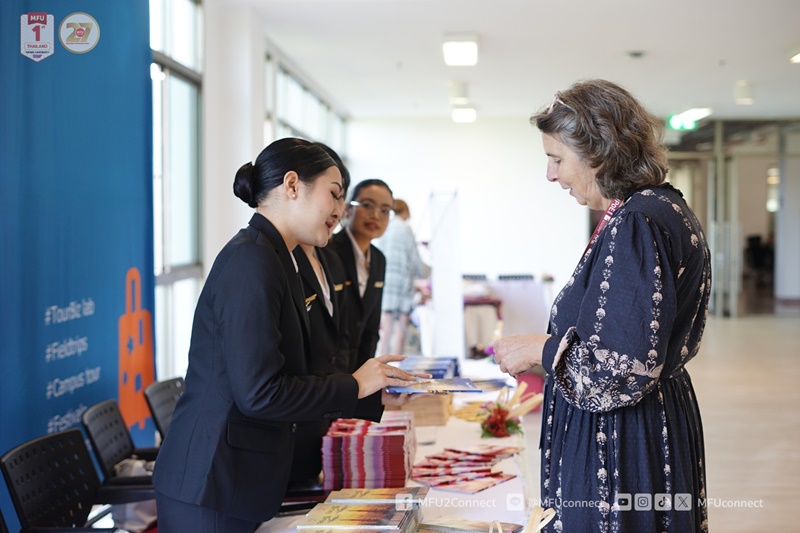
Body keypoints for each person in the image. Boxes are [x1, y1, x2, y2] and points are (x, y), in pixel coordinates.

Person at [152, 138, 419, 533]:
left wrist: (369, 394)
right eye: (334, 194)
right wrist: (354, 384)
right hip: (212, 482)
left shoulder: (278, 257)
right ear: (292, 185)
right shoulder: (252, 260)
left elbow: (297, 372)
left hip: (240, 477)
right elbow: (260, 393)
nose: (339, 210)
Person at [493, 79, 711, 532]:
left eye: (557, 159)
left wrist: (541, 349)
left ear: (598, 152)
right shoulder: (658, 208)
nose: (551, 175)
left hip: (621, 444)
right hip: (645, 427)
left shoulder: (637, 221)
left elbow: (621, 369)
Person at [328, 179, 395, 372]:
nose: (376, 215)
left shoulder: (379, 259)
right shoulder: (328, 251)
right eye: (367, 205)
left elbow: (372, 327)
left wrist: (366, 373)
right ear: (347, 209)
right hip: (330, 370)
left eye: (385, 210)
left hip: (359, 369)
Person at [374, 199, 430, 355]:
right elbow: (415, 260)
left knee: (385, 328)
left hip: (385, 283)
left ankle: (381, 361)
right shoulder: (406, 229)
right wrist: (427, 272)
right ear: (405, 211)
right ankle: (395, 364)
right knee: (400, 327)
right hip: (402, 284)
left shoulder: (386, 227)